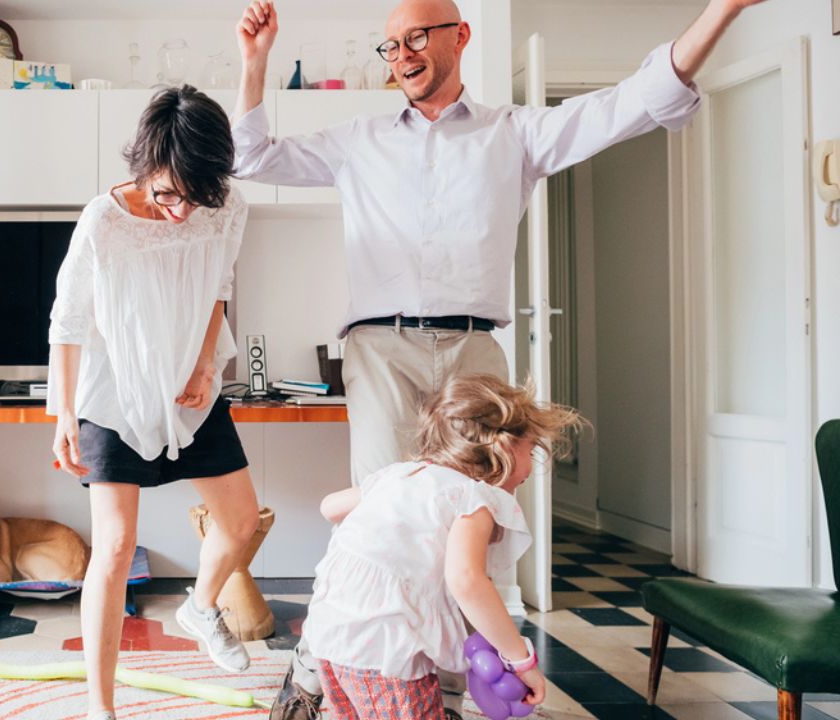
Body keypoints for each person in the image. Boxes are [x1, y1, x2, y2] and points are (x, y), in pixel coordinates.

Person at [231, 0, 768, 716]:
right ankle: (318, 662)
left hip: (474, 351)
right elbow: (248, 158)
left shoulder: (513, 133)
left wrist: (723, 10)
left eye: (416, 36)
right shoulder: (357, 140)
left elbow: (633, 102)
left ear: (460, 36)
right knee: (381, 518)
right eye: (389, 45)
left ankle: (442, 686)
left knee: (471, 529)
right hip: (380, 347)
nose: (402, 55)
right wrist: (255, 62)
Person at [47, 84, 261, 720]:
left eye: (195, 195)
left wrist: (204, 364)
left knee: (242, 523)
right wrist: (62, 414)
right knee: (113, 549)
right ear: (143, 169)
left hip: (190, 389)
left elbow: (218, 284)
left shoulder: (226, 207)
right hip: (113, 396)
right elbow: (69, 319)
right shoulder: (103, 219)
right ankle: (100, 706)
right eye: (167, 192)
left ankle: (201, 607)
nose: (179, 210)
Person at [303, 375, 582, 719]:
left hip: (330, 633)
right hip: (383, 646)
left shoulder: (400, 475)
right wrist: (520, 660)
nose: (534, 461)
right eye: (531, 448)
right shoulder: (471, 498)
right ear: (504, 447)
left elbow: (329, 506)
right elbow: (466, 580)